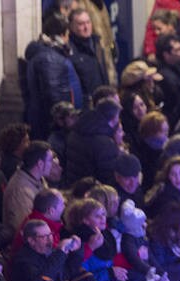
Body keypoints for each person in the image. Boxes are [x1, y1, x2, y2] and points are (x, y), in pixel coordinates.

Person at [24, 13, 83, 141]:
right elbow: (54, 96)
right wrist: (65, 120)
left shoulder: (51, 54)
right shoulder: (50, 58)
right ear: (62, 34)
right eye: (68, 34)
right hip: (57, 127)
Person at [3, 142, 54, 248]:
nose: (52, 164)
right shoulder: (20, 190)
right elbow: (28, 230)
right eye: (50, 160)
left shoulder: (38, 178)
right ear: (40, 163)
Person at [65, 98, 122, 185]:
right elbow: (108, 177)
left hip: (75, 185)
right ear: (114, 118)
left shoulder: (76, 131)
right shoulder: (105, 143)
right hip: (92, 190)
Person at [68, 8, 110, 106]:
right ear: (72, 26)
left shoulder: (97, 44)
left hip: (103, 100)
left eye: (88, 22)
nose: (86, 27)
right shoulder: (70, 50)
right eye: (81, 24)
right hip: (86, 106)